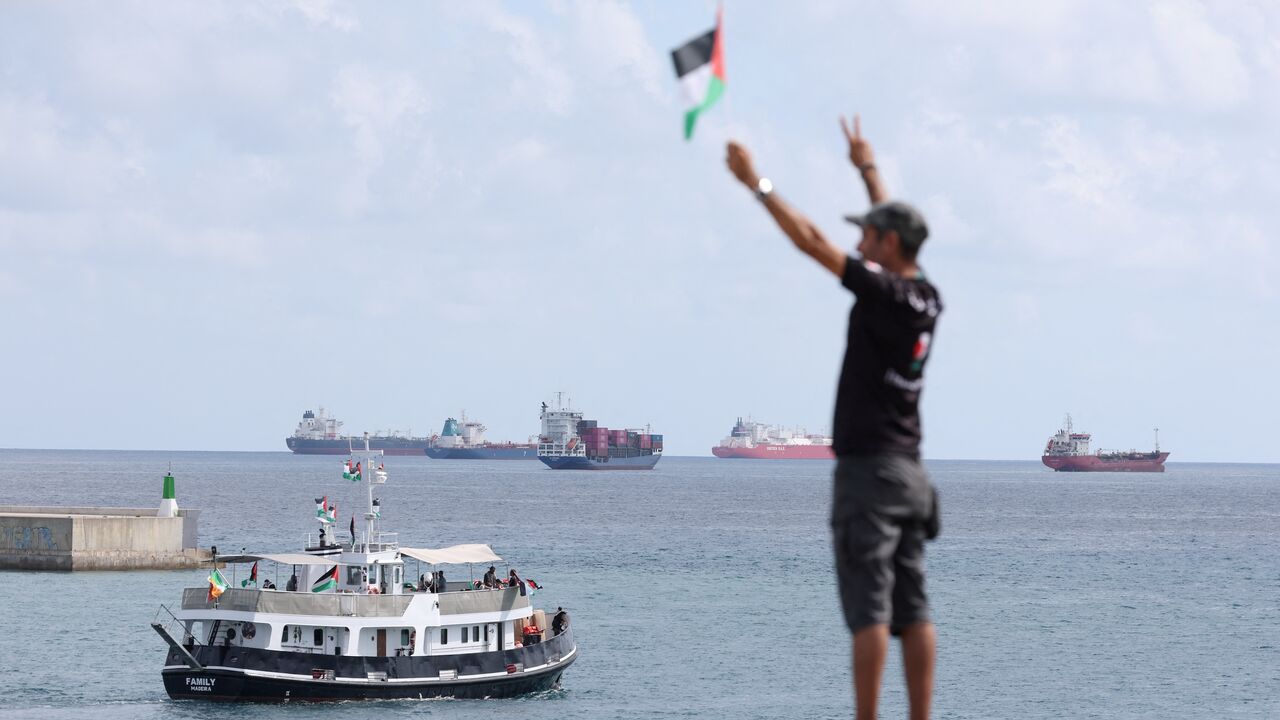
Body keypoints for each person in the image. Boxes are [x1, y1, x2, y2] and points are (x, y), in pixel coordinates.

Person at [725, 114, 941, 720]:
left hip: (869, 473)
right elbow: (895, 231)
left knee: (869, 609)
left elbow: (811, 241)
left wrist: (755, 183)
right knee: (915, 605)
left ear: (887, 247)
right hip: (911, 474)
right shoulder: (925, 294)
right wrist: (867, 168)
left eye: (868, 237)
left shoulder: (881, 291)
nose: (859, 244)